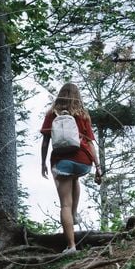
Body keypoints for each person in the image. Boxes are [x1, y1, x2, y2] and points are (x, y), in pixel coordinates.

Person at [40, 82, 102, 254]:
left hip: (62, 161)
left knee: (64, 205)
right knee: (74, 177)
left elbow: (45, 141)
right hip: (83, 162)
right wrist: (98, 166)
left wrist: (43, 163)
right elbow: (90, 143)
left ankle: (71, 246)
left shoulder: (52, 114)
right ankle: (74, 214)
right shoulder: (82, 114)